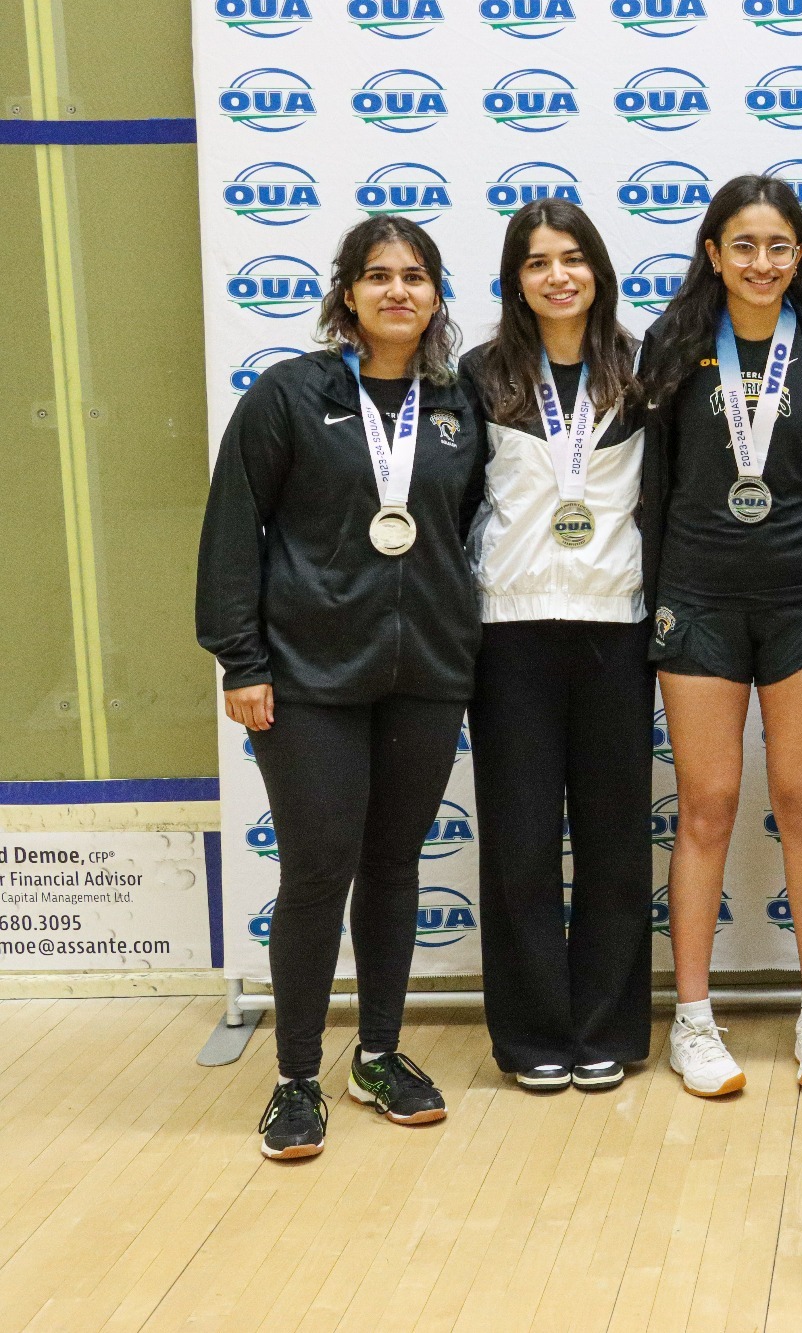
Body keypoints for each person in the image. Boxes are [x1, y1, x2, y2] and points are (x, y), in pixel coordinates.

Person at [197, 216, 481, 1160]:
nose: (397, 290)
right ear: (347, 294)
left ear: (437, 294)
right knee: (321, 866)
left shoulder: (458, 403)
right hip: (309, 675)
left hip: (428, 671)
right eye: (377, 276)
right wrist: (241, 660)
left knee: (395, 863)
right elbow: (235, 527)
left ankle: (380, 1054)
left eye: (415, 276)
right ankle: (292, 1077)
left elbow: (472, 525)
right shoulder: (289, 395)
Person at [639, 175, 802, 1097]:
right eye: (744, 246)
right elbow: (650, 479)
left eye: (780, 247)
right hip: (695, 600)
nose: (763, 263)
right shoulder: (676, 341)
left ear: (800, 255)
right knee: (706, 806)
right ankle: (692, 1020)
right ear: (712, 254)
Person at [461, 200, 652, 1094]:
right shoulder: (480, 374)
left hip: (617, 624)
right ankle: (534, 1030)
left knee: (615, 839)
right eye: (537, 262)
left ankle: (607, 1022)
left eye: (573, 259)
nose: (558, 276)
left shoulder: (643, 370)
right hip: (511, 629)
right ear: (516, 278)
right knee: (523, 840)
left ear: (599, 270)